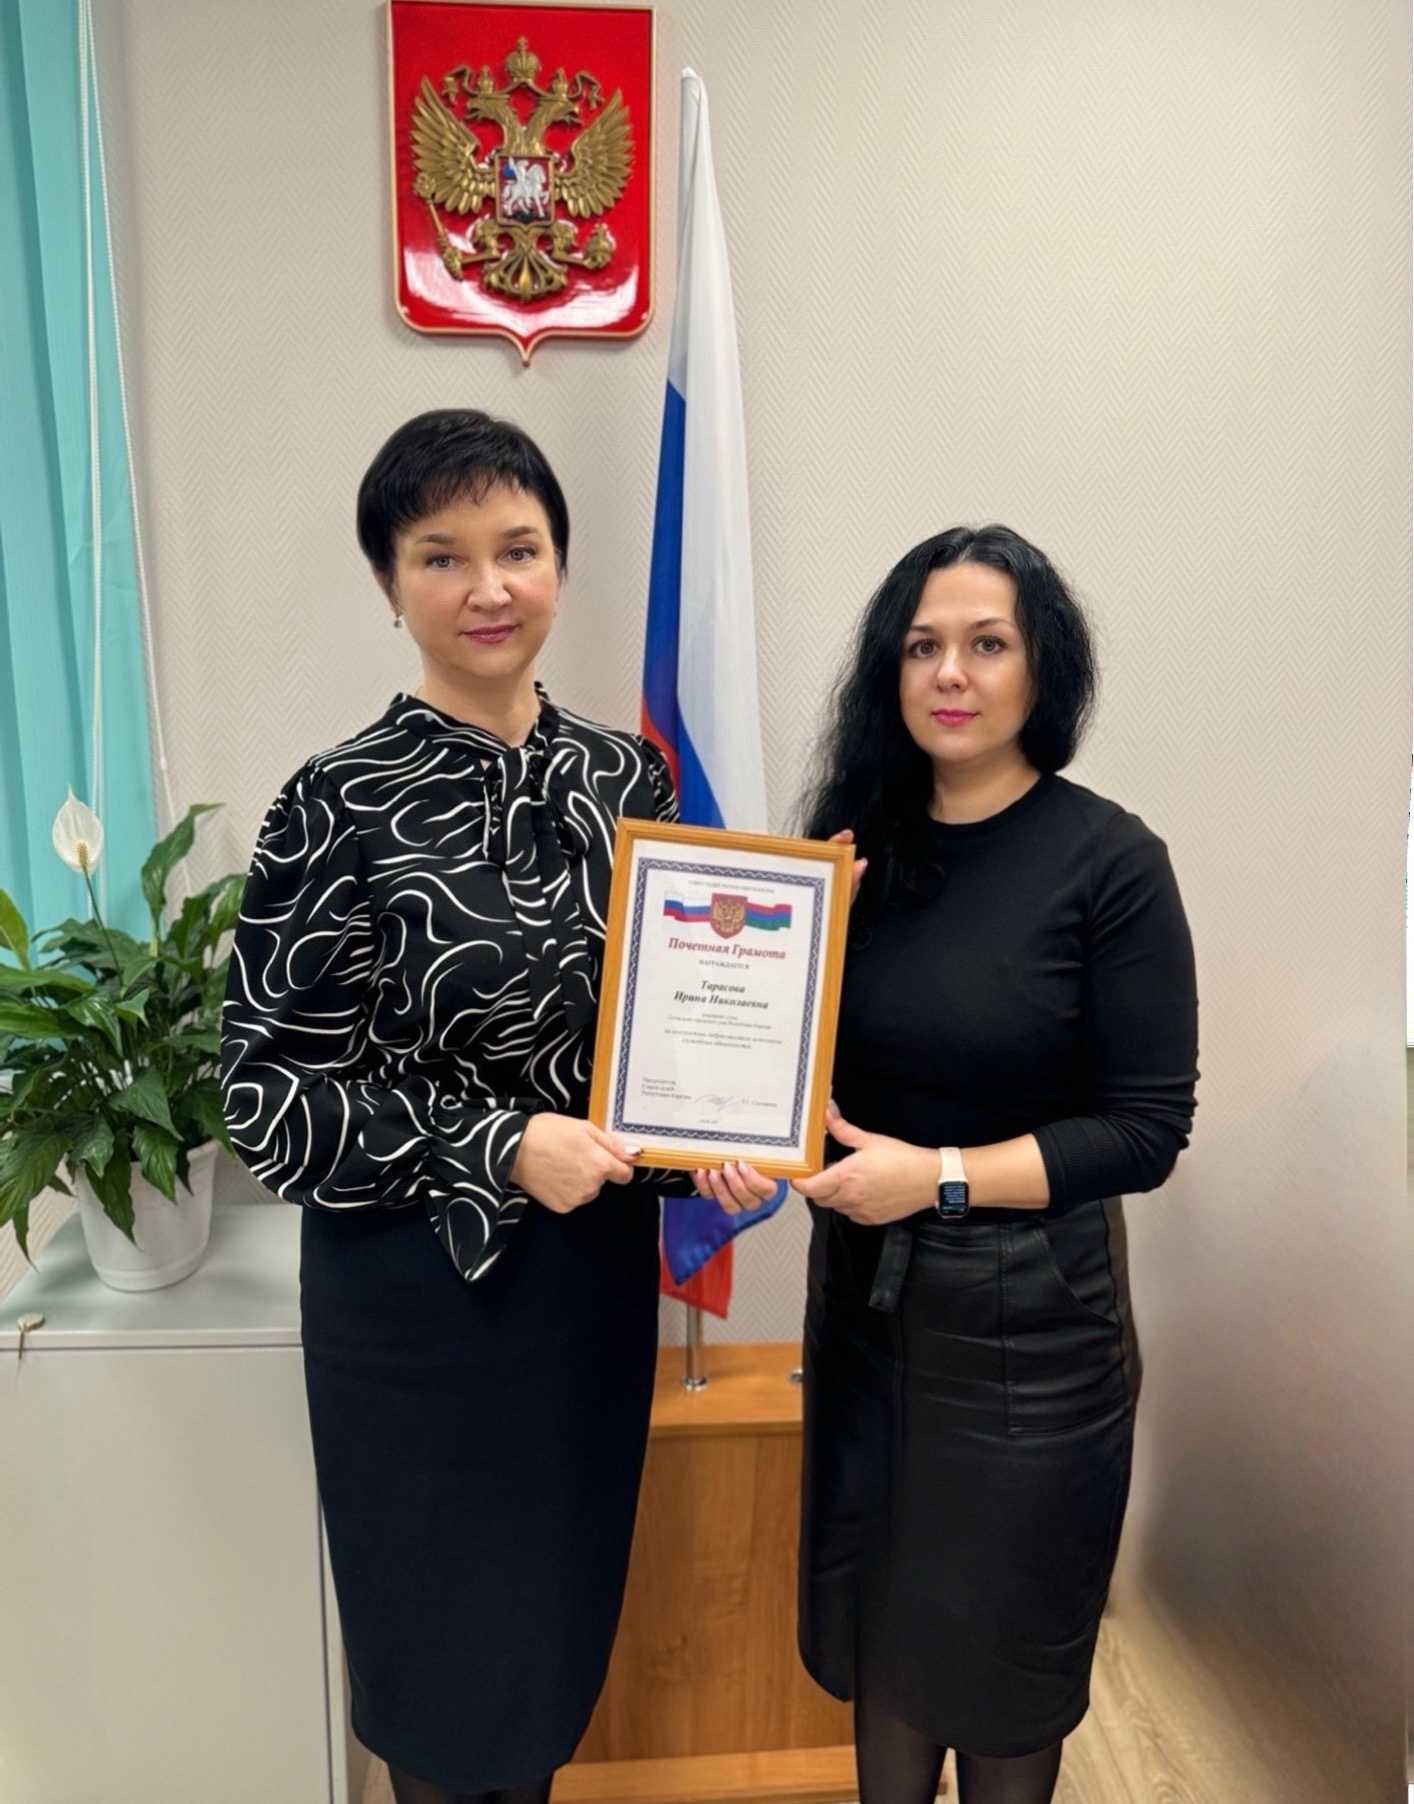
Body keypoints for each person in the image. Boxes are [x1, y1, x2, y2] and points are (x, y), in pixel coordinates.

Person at [220, 409, 774, 1804]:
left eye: (518, 548)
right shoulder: (333, 802)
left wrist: (712, 1145)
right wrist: (498, 1143)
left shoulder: (625, 778)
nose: (488, 586)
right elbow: (269, 1096)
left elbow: (648, 1052)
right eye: (442, 555)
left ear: (559, 568)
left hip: (583, 1306)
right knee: (439, 1695)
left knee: (544, 1671)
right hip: (416, 1318)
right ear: (388, 581)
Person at [697, 526, 1198, 1804]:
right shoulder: (849, 856)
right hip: (864, 1323)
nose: (950, 673)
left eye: (986, 643)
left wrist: (942, 1176)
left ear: (1043, 668)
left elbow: (1142, 1132)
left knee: (998, 1670)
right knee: (885, 1648)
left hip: (1031, 1341)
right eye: (922, 646)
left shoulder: (1111, 863)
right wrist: (733, 1141)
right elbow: (800, 1085)